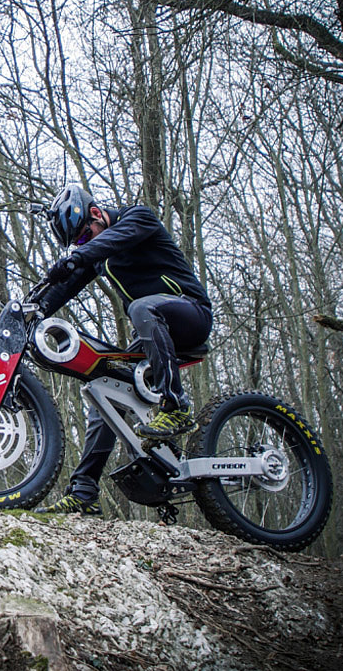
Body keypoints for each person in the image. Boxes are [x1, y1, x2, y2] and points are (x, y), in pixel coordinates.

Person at [31, 184, 212, 515]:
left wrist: (79, 254)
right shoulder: (95, 253)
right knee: (108, 385)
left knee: (141, 308)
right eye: (81, 242)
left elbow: (108, 243)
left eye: (86, 235)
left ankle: (177, 407)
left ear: (97, 214)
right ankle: (84, 490)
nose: (86, 244)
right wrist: (34, 311)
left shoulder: (137, 218)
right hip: (153, 332)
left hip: (190, 313)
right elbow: (65, 287)